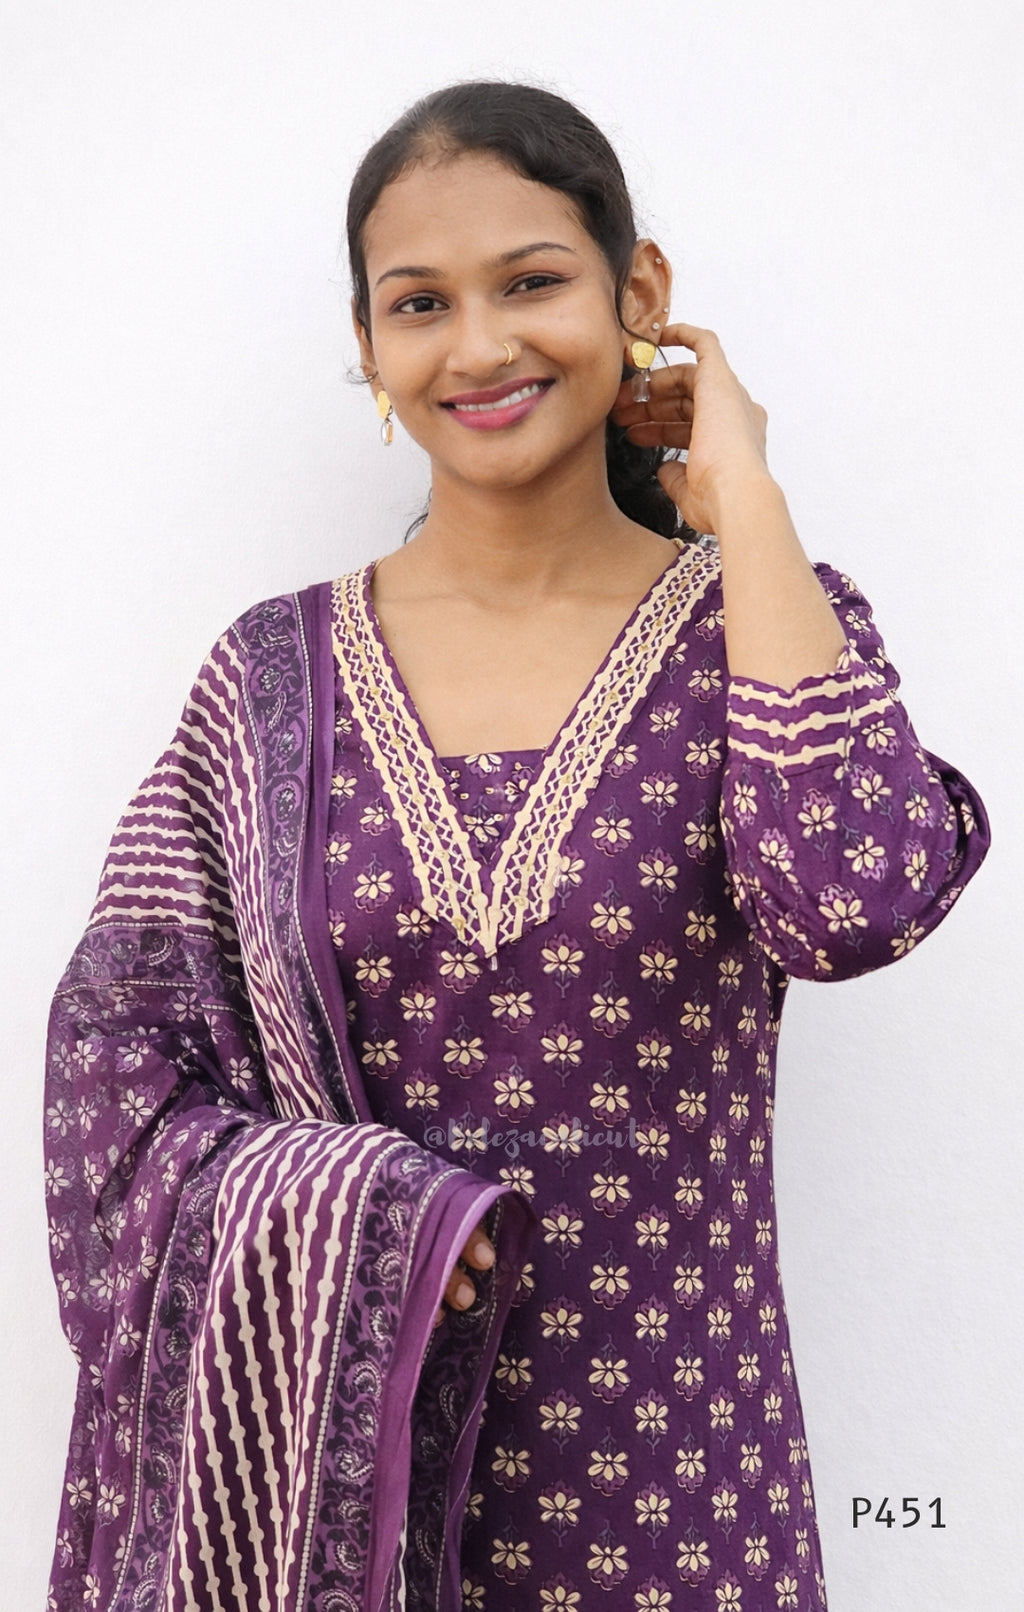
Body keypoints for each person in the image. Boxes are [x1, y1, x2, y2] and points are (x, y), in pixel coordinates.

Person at [43, 81, 989, 1612]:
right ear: (369, 350)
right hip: (339, 1509)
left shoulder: (760, 629)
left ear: (641, 295)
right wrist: (354, 1227)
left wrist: (740, 488)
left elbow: (854, 898)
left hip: (691, 1487)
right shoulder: (268, 680)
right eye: (419, 304)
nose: (477, 347)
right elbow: (114, 1075)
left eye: (533, 282)